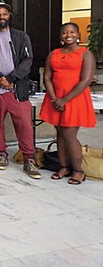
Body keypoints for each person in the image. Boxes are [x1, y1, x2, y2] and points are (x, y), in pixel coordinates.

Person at [0, 2, 40, 179]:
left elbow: (28, 61)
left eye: (4, 14)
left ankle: (29, 159)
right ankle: (2, 154)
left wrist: (10, 78)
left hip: (16, 90)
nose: (1, 17)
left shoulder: (22, 36)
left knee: (25, 126)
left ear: (9, 16)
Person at [39, 22, 96, 185]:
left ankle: (78, 171)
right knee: (60, 133)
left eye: (72, 32)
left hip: (74, 99)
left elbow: (85, 81)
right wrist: (54, 98)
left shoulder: (85, 54)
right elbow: (47, 77)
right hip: (55, 98)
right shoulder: (54, 53)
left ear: (78, 35)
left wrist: (64, 100)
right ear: (61, 35)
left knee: (70, 135)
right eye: (64, 32)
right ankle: (63, 167)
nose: (68, 35)